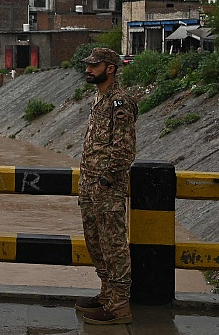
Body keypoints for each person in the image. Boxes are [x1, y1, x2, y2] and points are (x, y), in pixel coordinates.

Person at [75, 47, 138, 325]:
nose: (88, 70)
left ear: (110, 68)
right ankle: (106, 294)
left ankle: (120, 305)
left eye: (94, 65)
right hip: (90, 186)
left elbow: (123, 149)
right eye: (87, 65)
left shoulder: (119, 102)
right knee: (95, 241)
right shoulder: (99, 98)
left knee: (113, 244)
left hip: (106, 188)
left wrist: (105, 180)